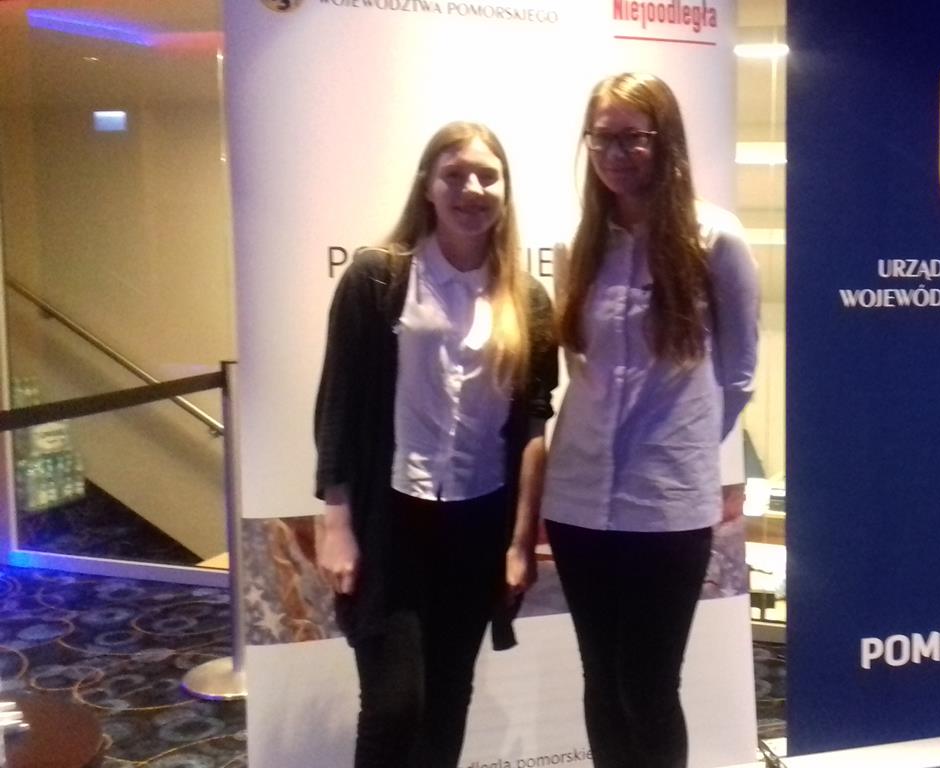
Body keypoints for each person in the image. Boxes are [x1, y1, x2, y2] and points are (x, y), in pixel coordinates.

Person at [312, 121, 557, 768]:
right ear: (427, 185)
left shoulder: (528, 300)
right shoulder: (377, 278)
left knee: (448, 701)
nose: (472, 189)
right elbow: (338, 402)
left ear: (505, 190)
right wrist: (336, 522)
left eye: (487, 176)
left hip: (478, 525)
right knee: (395, 705)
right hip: (391, 521)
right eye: (454, 175)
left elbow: (533, 429)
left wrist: (520, 543)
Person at [542, 73, 759, 768]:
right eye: (602, 137)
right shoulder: (577, 245)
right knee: (602, 680)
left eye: (633, 137)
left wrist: (678, 447)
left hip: (666, 505)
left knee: (648, 686)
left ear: (665, 142)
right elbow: (580, 367)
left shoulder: (715, 238)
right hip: (577, 499)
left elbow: (740, 373)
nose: (616, 153)